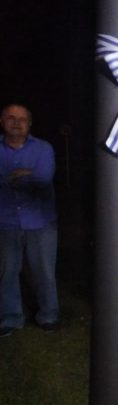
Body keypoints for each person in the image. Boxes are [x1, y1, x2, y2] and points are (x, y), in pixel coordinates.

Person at [0, 104, 58, 338]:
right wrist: (25, 175)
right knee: (6, 272)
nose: (16, 123)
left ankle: (49, 316)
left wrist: (7, 178)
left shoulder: (43, 148)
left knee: (44, 272)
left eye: (22, 119)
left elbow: (43, 178)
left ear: (30, 124)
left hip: (40, 221)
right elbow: (33, 178)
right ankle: (11, 318)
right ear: (2, 121)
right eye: (11, 118)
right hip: (5, 222)